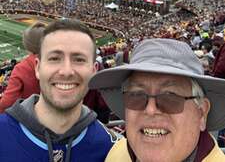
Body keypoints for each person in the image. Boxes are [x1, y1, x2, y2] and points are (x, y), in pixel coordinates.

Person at [0, 19, 118, 161]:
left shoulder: (113, 151)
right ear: (37, 67)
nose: (66, 71)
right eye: (55, 58)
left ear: (94, 71)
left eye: (79, 59)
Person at [89, 38, 225, 162]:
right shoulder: (117, 154)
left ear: (201, 113)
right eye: (137, 95)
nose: (150, 110)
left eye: (170, 96)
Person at [0, 21, 45, 113]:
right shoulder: (59, 61)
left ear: (28, 45)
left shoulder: (22, 68)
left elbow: (7, 103)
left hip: (30, 115)